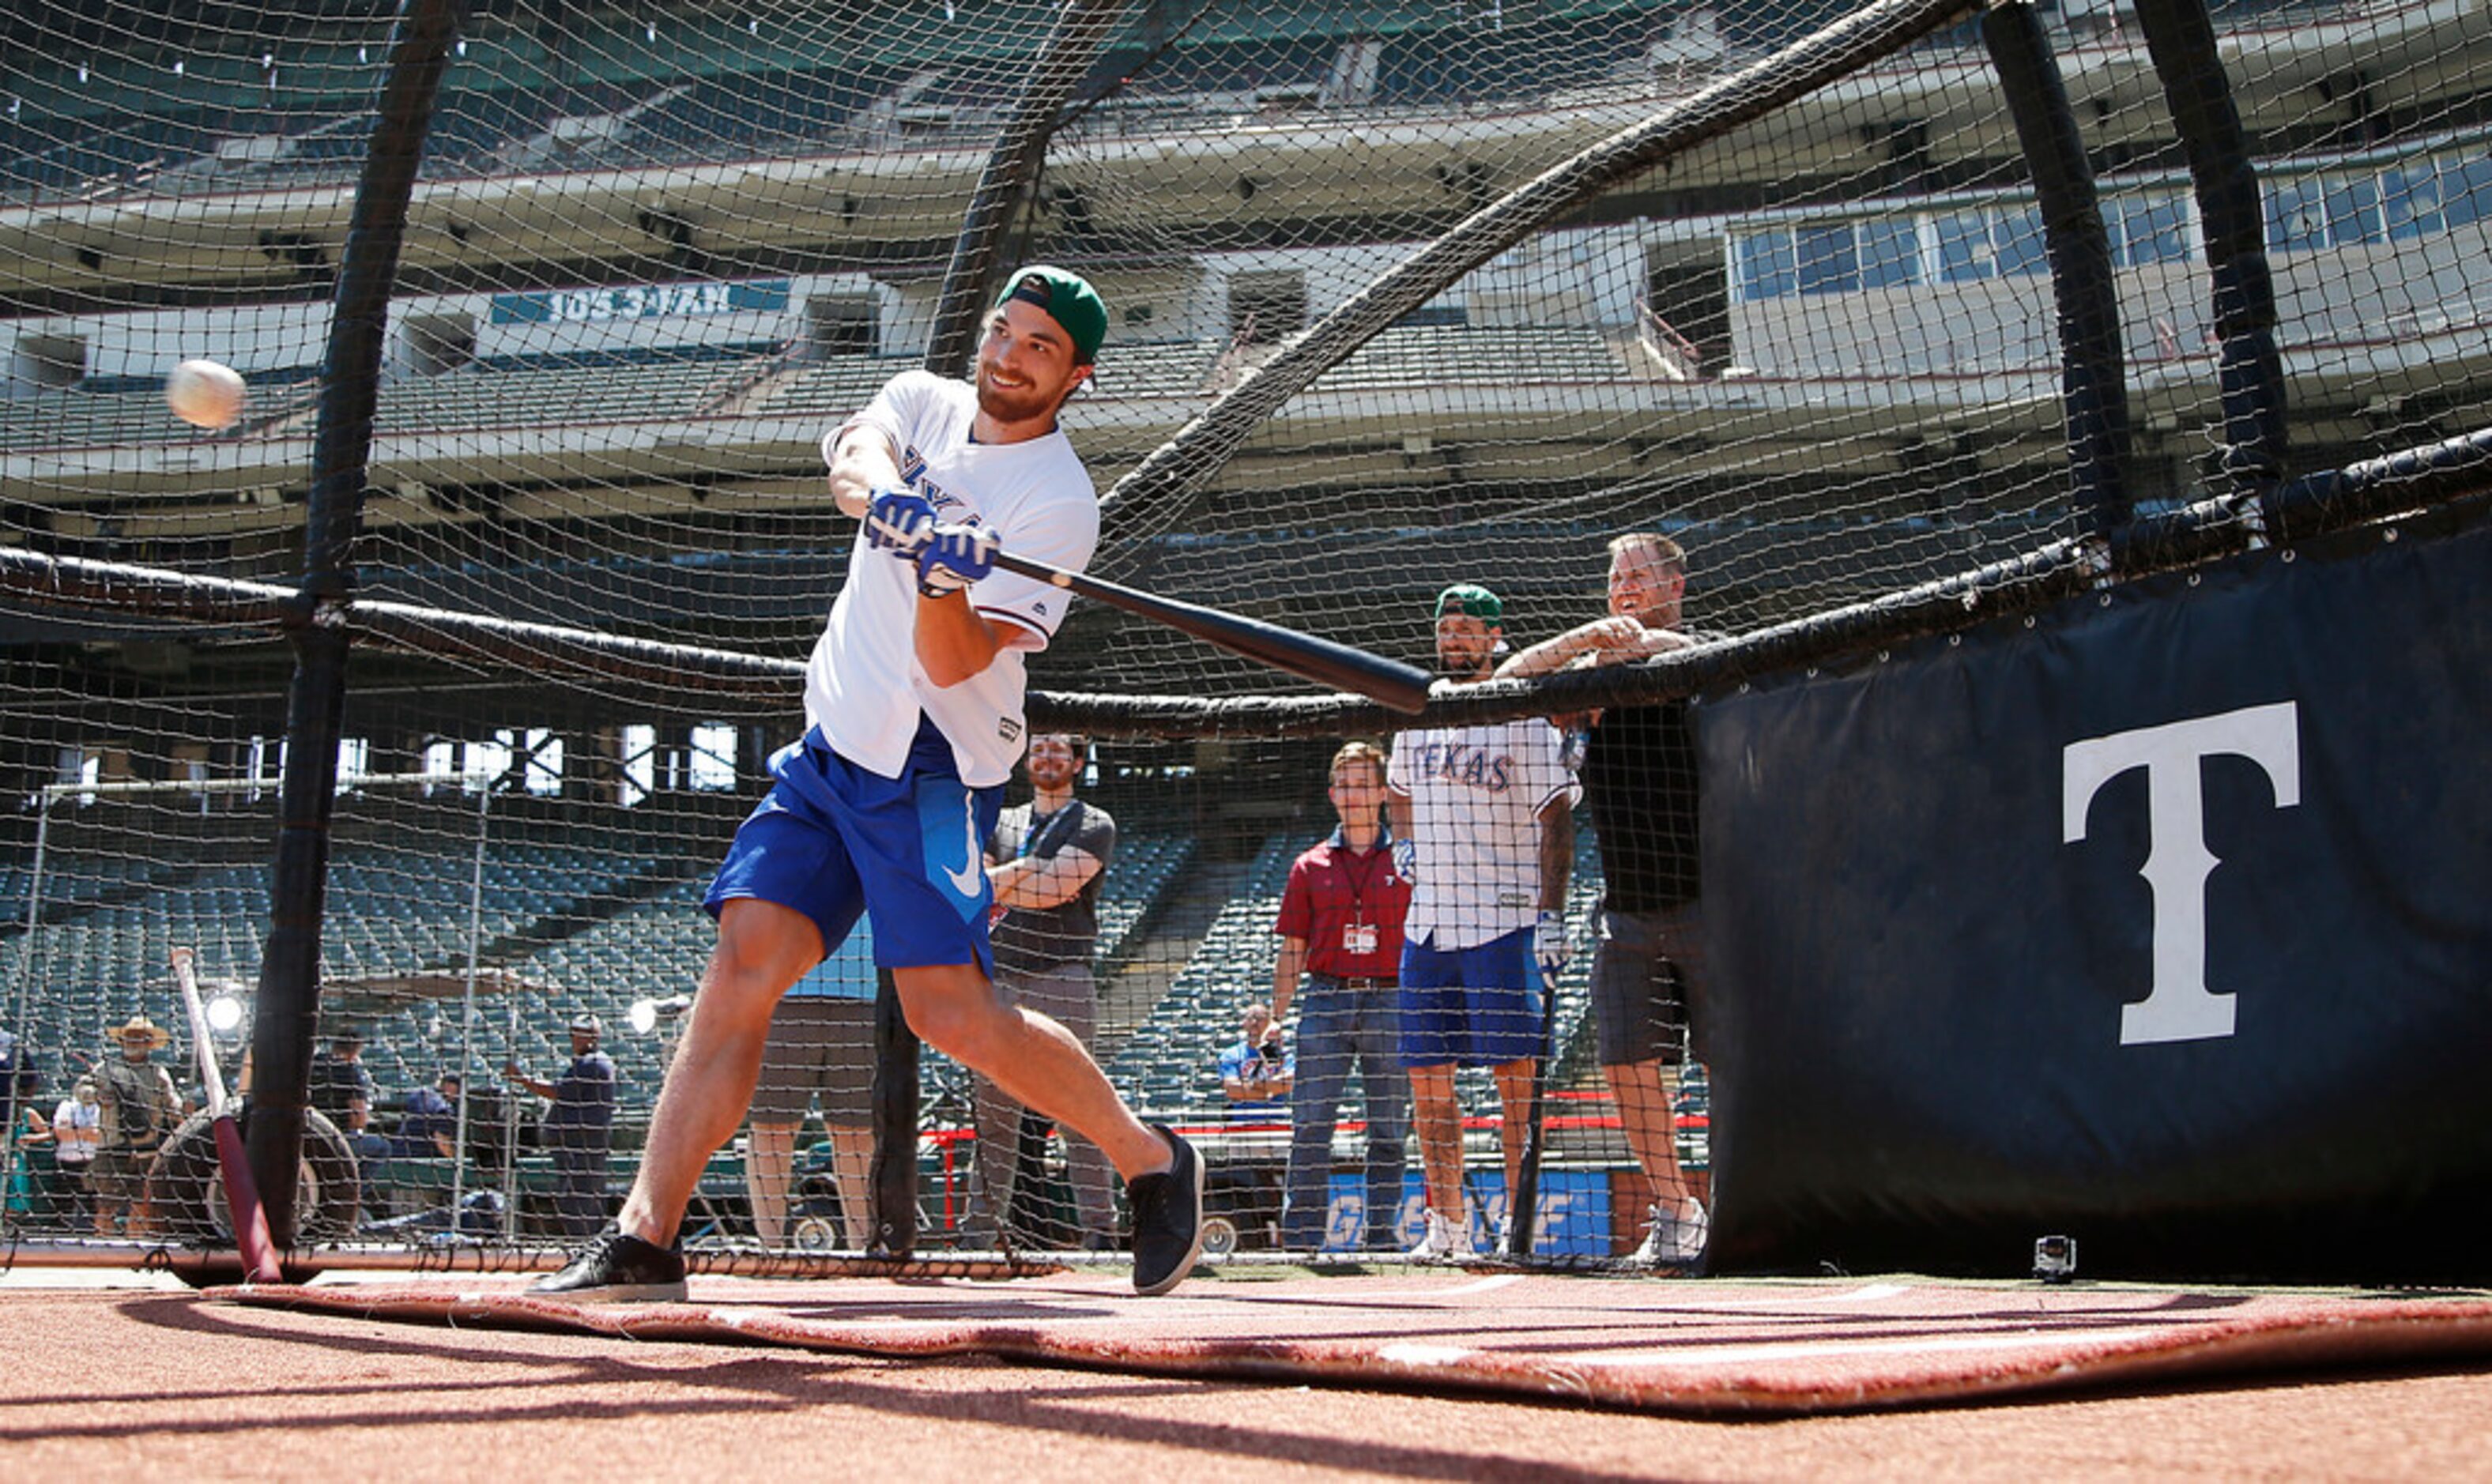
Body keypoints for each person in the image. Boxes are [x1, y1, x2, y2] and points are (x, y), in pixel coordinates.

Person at [532, 265, 1202, 1302]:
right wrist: (901, 504)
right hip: (835, 743)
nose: (1009, 355)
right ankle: (646, 1233)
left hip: (939, 771)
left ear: (1077, 376)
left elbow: (953, 661)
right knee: (745, 958)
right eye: (1005, 331)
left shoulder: (1057, 503)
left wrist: (945, 575)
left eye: (1039, 348)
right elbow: (855, 462)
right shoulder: (920, 400)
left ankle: (1152, 1158)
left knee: (952, 1013)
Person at [1496, 531, 1713, 1267]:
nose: (1620, 588)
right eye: (1612, 578)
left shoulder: (1708, 651)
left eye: (1636, 576)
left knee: (1726, 1062)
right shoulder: (1591, 677)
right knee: (1626, 1063)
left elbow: (1701, 661)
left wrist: (1640, 646)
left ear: (1673, 588)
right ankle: (1675, 1208)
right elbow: (1509, 681)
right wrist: (1588, 641)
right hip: (1626, 906)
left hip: (1715, 898)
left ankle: (1740, 1204)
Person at [1389, 585, 1578, 1260]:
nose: (1455, 638)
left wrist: (1551, 916)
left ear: (1497, 638)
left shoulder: (1522, 718)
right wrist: (1401, 838)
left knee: (1515, 1087)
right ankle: (1448, 1226)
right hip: (1428, 925)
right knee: (1428, 1085)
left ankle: (1515, 1228)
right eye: (1447, 626)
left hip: (1501, 919)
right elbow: (1397, 793)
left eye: (1470, 628)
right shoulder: (1417, 712)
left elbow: (1557, 819)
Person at [963, 733, 1119, 1250]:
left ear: (1076, 762)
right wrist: (1026, 872)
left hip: (1063, 975)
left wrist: (1009, 880)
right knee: (992, 1116)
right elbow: (976, 883)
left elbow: (1055, 890)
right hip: (999, 977)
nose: (1047, 757)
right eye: (1038, 749)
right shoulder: (998, 819)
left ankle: (1101, 1231)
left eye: (1059, 750)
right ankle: (979, 1237)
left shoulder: (1094, 822)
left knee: (1082, 1108)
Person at [1270, 740, 1412, 1252]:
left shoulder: (1407, 860)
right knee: (1310, 1126)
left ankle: (1380, 1236)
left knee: (1389, 1131)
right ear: (1331, 794)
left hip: (1392, 1000)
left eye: (1363, 785)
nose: (1352, 795)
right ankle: (1303, 1238)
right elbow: (1293, 947)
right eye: (1344, 786)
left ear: (1381, 792)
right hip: (1325, 1000)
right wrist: (1275, 1017)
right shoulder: (1309, 866)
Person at [746, 970, 876, 1252]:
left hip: (864, 992)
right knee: (772, 1127)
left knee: (856, 1134)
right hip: (779, 990)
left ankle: (864, 1252)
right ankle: (771, 1252)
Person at [508, 1014, 617, 1242]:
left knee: (579, 1203)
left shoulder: (594, 1062)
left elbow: (557, 1091)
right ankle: (586, 1246)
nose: (577, 1038)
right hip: (578, 1145)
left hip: (582, 1146)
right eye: (575, 1033)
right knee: (579, 1201)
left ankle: (584, 1247)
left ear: (594, 1036)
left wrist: (522, 1079)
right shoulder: (588, 1062)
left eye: (583, 1033)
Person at [91, 1015, 183, 1237]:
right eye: (130, 1037)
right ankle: (102, 1249)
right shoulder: (105, 1069)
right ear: (122, 1040)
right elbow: (83, 1090)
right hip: (111, 1145)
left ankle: (135, 1248)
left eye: (139, 1038)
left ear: (149, 1043)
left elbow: (173, 1106)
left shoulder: (158, 1074)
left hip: (147, 1146)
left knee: (141, 1202)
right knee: (106, 1204)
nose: (133, 1042)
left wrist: (181, 1109)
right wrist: (98, 1095)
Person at [1216, 1002, 1295, 1121]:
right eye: (1250, 1018)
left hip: (1276, 1122)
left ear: (1269, 1023)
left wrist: (1253, 1087)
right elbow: (1232, 1089)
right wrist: (1268, 1092)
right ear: (1244, 1023)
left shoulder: (1284, 1054)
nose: (1254, 1023)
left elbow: (1288, 1083)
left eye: (1259, 1018)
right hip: (1241, 1123)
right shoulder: (1231, 1054)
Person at [50, 1076, 100, 1226]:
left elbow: (98, 1136)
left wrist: (75, 1130)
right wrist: (87, 1132)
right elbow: (62, 1133)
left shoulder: (103, 1107)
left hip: (92, 1163)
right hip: (67, 1162)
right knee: (63, 1206)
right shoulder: (67, 1106)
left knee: (94, 1206)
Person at [306, 1029, 376, 1124]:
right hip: (338, 1133)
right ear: (355, 1053)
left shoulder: (311, 1064)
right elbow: (359, 1119)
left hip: (309, 1128)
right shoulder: (350, 1072)